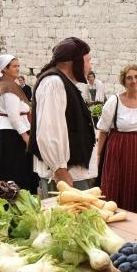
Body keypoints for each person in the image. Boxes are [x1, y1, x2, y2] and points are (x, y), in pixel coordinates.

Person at [29, 37, 96, 193]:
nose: (89, 66)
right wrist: (59, 168)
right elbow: (49, 130)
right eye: (87, 60)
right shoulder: (53, 83)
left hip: (71, 173)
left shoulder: (63, 82)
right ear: (75, 61)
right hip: (63, 175)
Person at [96, 64, 137, 212]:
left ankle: (135, 220)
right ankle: (111, 215)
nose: (134, 81)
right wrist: (99, 154)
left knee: (135, 185)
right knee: (114, 184)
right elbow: (103, 130)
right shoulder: (114, 101)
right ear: (124, 81)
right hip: (117, 148)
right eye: (129, 78)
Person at [0, 54, 37, 192]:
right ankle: (18, 196)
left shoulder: (8, 84)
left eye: (18, 66)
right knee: (16, 169)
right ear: (5, 69)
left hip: (12, 131)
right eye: (14, 66)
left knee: (14, 167)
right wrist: (26, 137)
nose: (18, 69)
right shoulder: (7, 88)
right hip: (12, 133)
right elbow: (13, 116)